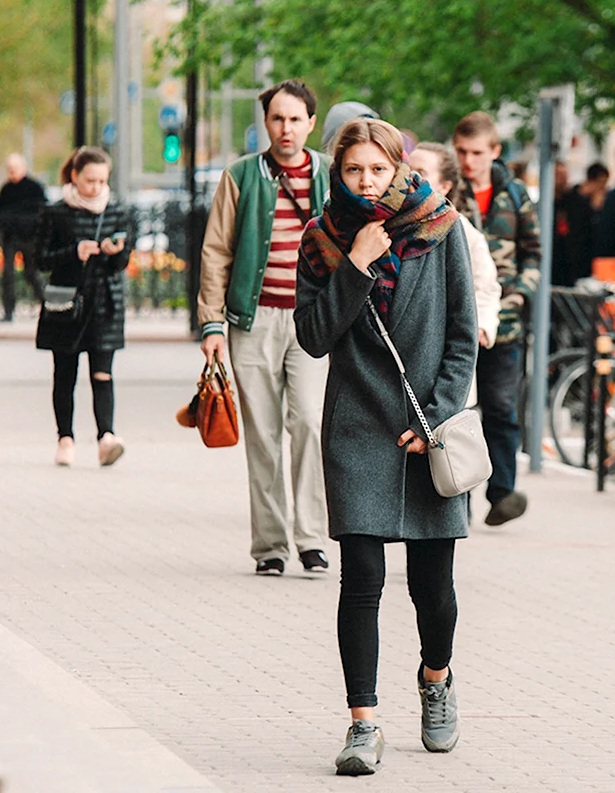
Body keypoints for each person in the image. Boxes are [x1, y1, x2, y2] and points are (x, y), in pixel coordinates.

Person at [295, 117, 477, 776]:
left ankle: (436, 676)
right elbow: (313, 336)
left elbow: (463, 334)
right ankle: (362, 723)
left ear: (398, 168)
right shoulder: (322, 240)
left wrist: (435, 415)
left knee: (434, 586)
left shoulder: (442, 225)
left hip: (427, 432)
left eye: (377, 169)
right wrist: (355, 265)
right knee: (362, 578)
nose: (366, 181)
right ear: (336, 172)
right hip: (357, 424)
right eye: (353, 171)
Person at [198, 79, 331, 576]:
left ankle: (313, 537)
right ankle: (271, 545)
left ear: (311, 123)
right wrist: (211, 323)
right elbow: (216, 251)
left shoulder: (330, 175)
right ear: (265, 123)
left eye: (295, 119)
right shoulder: (240, 176)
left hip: (312, 323)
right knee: (263, 433)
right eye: (277, 118)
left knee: (311, 425)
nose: (286, 128)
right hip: (252, 322)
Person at [452, 111, 540, 527]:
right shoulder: (449, 193)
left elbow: (534, 253)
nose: (469, 161)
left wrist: (520, 295)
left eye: (476, 153)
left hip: (506, 324)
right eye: (462, 152)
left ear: (494, 152)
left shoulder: (516, 195)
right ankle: (458, 498)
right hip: (460, 323)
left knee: (502, 409)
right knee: (459, 410)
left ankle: (502, 493)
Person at [35, 146, 132, 468]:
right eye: (90, 180)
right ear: (75, 176)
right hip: (66, 303)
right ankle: (66, 439)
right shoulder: (56, 212)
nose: (96, 187)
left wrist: (115, 251)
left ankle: (107, 438)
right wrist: (73, 252)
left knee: (103, 373)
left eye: (102, 181)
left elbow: (121, 263)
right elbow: (40, 259)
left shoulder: (116, 211)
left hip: (105, 303)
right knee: (65, 373)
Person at [409, 141, 500, 358]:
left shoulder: (461, 230)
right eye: (407, 170)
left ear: (445, 186)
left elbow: (486, 287)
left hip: (445, 353)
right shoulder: (387, 223)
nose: (410, 179)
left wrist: (476, 330)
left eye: (421, 173)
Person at [0, 154, 48, 322]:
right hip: (11, 237)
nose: (12, 173)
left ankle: (47, 306)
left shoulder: (34, 188)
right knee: (8, 274)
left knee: (31, 273)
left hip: (29, 237)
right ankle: (8, 310)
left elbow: (43, 211)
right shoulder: (6, 189)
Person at [553, 161, 609, 286]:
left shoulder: (575, 201)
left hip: (574, 266)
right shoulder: (547, 207)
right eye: (558, 175)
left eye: (564, 175)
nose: (562, 180)